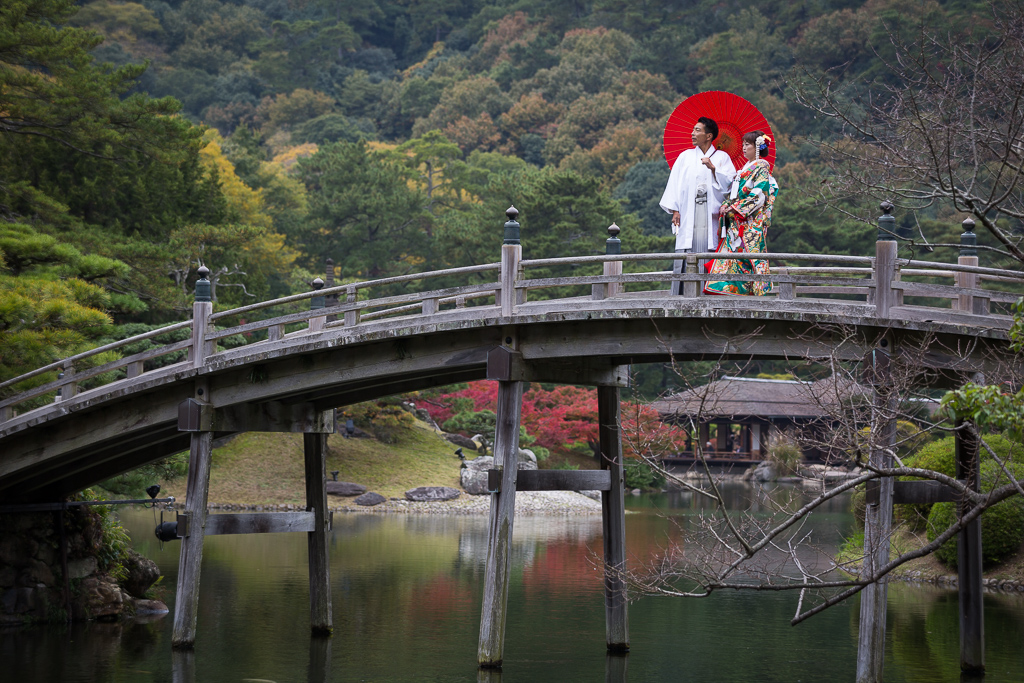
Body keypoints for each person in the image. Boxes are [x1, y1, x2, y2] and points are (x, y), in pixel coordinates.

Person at [659, 116, 737, 294]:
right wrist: (675, 209)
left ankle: (710, 289)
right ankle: (683, 291)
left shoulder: (722, 157)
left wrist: (714, 169)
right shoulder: (684, 157)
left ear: (709, 136)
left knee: (709, 247)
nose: (693, 134)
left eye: (697, 130)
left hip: (711, 214)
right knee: (687, 247)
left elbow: (730, 185)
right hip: (688, 211)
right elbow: (675, 184)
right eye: (693, 130)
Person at [704, 130, 779, 296]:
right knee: (734, 254)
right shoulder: (743, 170)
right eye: (743, 144)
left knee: (749, 255)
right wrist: (726, 205)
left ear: (757, 147)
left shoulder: (761, 167)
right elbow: (734, 194)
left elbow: (759, 194)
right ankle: (733, 290)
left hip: (750, 221)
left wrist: (735, 208)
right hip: (737, 221)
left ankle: (754, 291)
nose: (744, 148)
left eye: (748, 145)